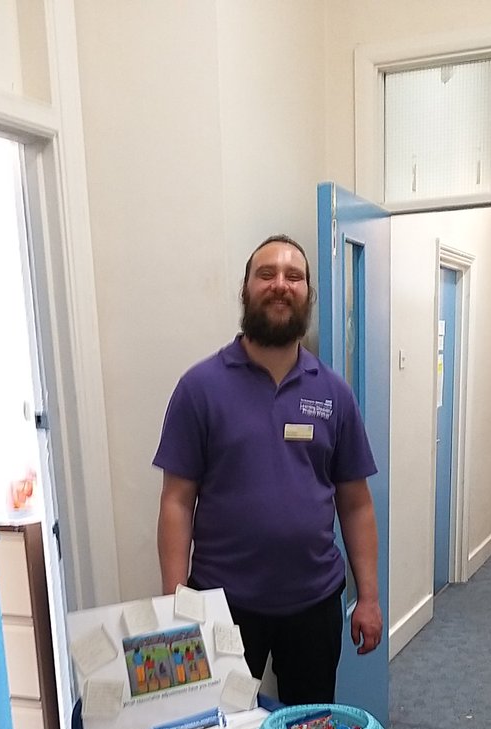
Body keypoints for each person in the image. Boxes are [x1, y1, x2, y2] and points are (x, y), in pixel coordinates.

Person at [153, 235, 382, 704]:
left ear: (308, 296)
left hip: (315, 604)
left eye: (293, 276)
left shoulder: (334, 393)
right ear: (245, 290)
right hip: (223, 608)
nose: (281, 285)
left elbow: (355, 503)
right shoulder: (200, 388)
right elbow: (177, 501)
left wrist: (370, 597)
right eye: (267, 274)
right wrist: (178, 609)